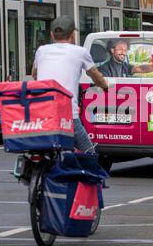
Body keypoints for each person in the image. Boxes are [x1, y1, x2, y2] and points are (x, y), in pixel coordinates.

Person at [32, 15, 109, 154]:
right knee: (89, 153)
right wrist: (105, 87)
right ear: (72, 35)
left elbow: (34, 74)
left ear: (51, 34)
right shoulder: (80, 52)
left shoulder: (41, 51)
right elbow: (95, 75)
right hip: (68, 115)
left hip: (42, 113)